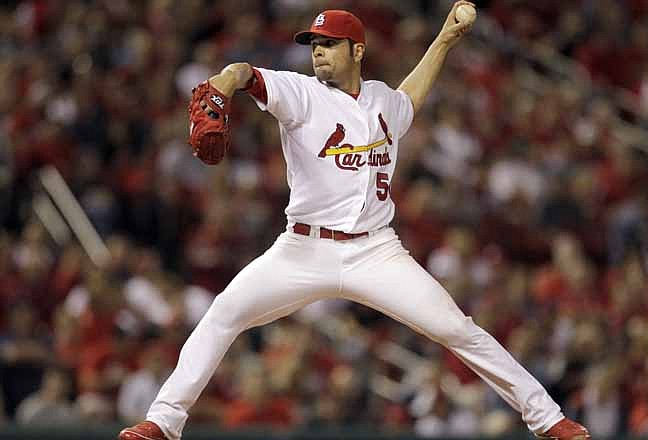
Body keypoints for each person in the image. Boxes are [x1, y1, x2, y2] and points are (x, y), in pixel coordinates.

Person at [119, 3, 591, 440]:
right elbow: (245, 74)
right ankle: (162, 422)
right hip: (303, 249)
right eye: (315, 45)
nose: (319, 53)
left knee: (458, 329)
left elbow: (410, 96)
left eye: (328, 44)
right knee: (224, 313)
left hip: (376, 251)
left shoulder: (384, 101)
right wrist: (222, 84)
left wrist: (446, 38)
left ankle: (549, 420)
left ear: (357, 50)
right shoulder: (300, 91)